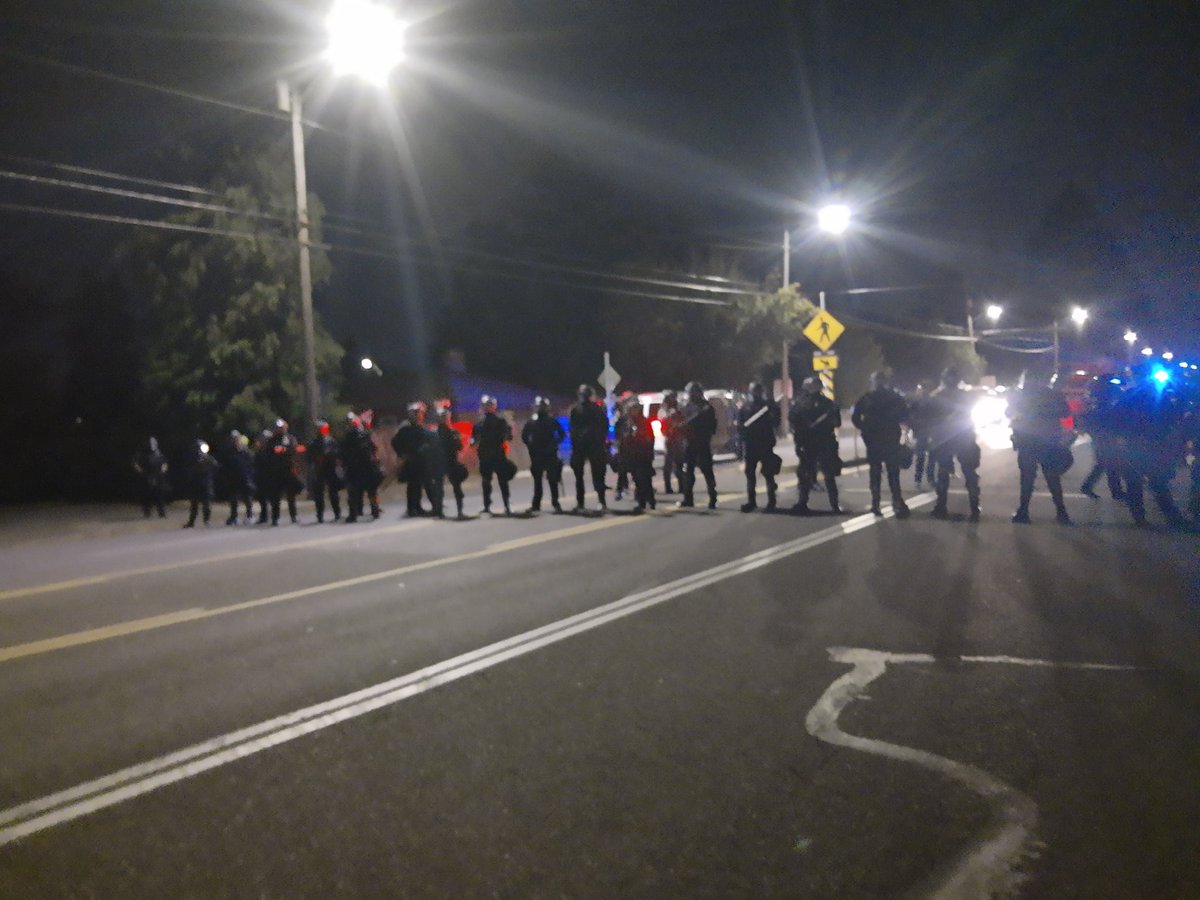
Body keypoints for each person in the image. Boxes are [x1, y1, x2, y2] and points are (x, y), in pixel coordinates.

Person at [1111, 377, 1188, 529]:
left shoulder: (1130, 399)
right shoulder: (1159, 399)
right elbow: (1174, 417)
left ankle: (1142, 517)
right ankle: (1170, 517)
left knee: (1139, 483)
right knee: (1155, 482)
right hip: (1146, 445)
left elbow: (1115, 420)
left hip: (1138, 445)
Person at [1008, 372, 1073, 524]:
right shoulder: (1053, 395)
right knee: (1052, 478)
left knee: (1027, 479)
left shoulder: (1022, 396)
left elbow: (1010, 412)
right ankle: (1061, 513)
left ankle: (1023, 511)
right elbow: (1065, 412)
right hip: (1048, 440)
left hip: (1027, 441)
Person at [851, 371, 911, 518]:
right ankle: (895, 502)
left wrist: (865, 428)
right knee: (892, 473)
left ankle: (876, 504)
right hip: (889, 438)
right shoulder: (894, 397)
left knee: (876, 472)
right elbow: (905, 415)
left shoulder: (867, 398)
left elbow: (855, 416)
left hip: (874, 440)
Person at [927, 368, 981, 521]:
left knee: (943, 473)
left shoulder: (937, 396)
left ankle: (941, 506)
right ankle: (974, 507)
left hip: (944, 439)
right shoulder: (967, 397)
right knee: (970, 473)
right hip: (964, 437)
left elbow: (930, 419)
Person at [789, 376, 842, 514]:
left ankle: (802, 502)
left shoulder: (800, 405)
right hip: (824, 443)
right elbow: (837, 422)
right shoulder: (829, 404)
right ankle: (834, 504)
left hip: (808, 444)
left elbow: (793, 422)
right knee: (828, 475)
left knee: (805, 474)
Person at [1078, 377, 1126, 501]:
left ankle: (1111, 490)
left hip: (1101, 435)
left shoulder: (1097, 399)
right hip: (1106, 435)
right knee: (1109, 463)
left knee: (1105, 463)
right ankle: (1115, 491)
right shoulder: (1107, 401)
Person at [736, 381, 780, 512]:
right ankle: (751, 501)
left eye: (757, 391)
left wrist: (773, 409)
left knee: (768, 473)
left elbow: (776, 422)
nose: (755, 394)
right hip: (750, 444)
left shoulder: (768, 406)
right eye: (753, 391)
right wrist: (742, 433)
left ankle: (772, 501)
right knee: (750, 474)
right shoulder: (745, 407)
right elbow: (740, 424)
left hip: (764, 443)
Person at [678, 381, 719, 509]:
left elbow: (712, 426)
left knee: (707, 470)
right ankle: (688, 498)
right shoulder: (688, 407)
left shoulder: (706, 408)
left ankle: (712, 498)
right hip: (690, 442)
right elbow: (682, 422)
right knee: (688, 471)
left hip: (702, 442)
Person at [472, 395, 515, 515]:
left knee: (502, 481)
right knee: (486, 482)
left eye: (490, 405)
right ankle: (487, 505)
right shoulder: (480, 423)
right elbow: (474, 439)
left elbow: (508, 436)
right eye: (486, 405)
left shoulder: (500, 421)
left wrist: (507, 433)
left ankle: (507, 504)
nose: (488, 407)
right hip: (486, 455)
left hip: (497, 454)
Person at [569, 384, 609, 511]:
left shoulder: (585, 409)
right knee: (594, 475)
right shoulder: (594, 409)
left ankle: (586, 503)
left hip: (589, 446)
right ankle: (598, 501)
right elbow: (604, 427)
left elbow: (604, 427)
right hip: (589, 446)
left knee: (589, 476)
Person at [522, 396, 566, 513]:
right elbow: (525, 436)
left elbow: (562, 434)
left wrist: (554, 444)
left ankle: (555, 503)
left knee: (551, 480)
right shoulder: (532, 421)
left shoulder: (551, 420)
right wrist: (531, 446)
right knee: (538, 481)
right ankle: (538, 504)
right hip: (538, 454)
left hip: (549, 454)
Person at [391, 402, 434, 518]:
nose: (418, 416)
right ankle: (411, 509)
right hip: (411, 462)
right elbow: (395, 442)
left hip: (422, 462)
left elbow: (429, 442)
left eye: (419, 413)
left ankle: (419, 507)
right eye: (415, 414)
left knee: (422, 486)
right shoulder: (405, 430)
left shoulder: (421, 428)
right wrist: (402, 454)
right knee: (413, 487)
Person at [342, 412, 382, 523]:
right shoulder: (366, 433)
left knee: (354, 492)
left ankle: (355, 513)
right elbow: (374, 448)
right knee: (371, 491)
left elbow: (344, 452)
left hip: (356, 467)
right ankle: (374, 510)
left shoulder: (349, 436)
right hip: (366, 466)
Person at [618, 397, 657, 512]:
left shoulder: (644, 422)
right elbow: (623, 438)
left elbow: (650, 439)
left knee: (646, 479)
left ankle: (650, 501)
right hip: (632, 455)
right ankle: (642, 503)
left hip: (643, 455)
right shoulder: (628, 423)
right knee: (637, 480)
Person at [435, 405, 469, 519]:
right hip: (448, 461)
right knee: (455, 487)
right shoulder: (451, 432)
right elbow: (459, 446)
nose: (445, 418)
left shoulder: (435, 433)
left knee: (441, 487)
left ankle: (440, 512)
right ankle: (459, 511)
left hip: (442, 462)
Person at [309, 420, 343, 523]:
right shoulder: (313, 443)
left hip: (330, 469)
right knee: (319, 494)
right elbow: (309, 457)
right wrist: (316, 460)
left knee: (333, 493)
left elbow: (337, 453)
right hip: (319, 470)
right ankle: (320, 515)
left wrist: (330, 456)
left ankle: (337, 513)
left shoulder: (331, 441)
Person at [182, 438, 219, 528]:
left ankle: (206, 521)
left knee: (206, 503)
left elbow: (215, 466)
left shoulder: (208, 458)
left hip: (206, 483)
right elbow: (188, 470)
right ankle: (191, 522)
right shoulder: (192, 459)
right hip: (196, 483)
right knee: (194, 504)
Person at [907, 383, 936, 488]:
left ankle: (928, 478)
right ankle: (921, 479)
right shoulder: (916, 403)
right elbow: (909, 417)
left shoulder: (931, 402)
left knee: (929, 457)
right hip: (921, 433)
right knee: (922, 457)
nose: (921, 391)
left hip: (927, 432)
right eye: (920, 389)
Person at [223, 430, 256, 525]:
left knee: (247, 498)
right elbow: (226, 466)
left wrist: (250, 477)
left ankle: (250, 516)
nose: (235, 440)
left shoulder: (246, 452)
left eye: (237, 438)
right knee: (233, 499)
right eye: (233, 439)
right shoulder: (228, 452)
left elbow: (251, 465)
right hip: (233, 478)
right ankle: (234, 517)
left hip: (245, 478)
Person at [133, 436, 169, 518]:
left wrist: (163, 471)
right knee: (146, 495)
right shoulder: (142, 453)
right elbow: (135, 463)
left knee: (160, 495)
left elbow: (164, 462)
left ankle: (161, 513)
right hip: (146, 476)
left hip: (158, 476)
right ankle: (147, 512)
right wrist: (141, 472)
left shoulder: (158, 453)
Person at [659, 389, 685, 494]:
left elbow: (682, 421)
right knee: (668, 466)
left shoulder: (678, 409)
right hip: (669, 439)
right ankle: (668, 487)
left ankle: (681, 486)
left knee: (678, 464)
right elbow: (662, 422)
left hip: (677, 439)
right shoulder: (665, 410)